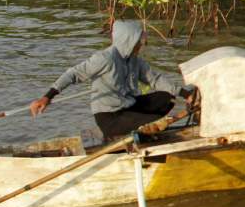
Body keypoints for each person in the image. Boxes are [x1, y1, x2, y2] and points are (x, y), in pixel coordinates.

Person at [29, 20, 195, 141]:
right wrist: (47, 96)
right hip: (110, 117)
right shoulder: (105, 58)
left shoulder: (134, 59)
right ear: (128, 42)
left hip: (129, 106)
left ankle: (141, 128)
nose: (141, 45)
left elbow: (155, 79)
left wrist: (185, 94)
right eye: (139, 42)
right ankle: (130, 132)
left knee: (166, 98)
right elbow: (73, 74)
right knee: (152, 124)